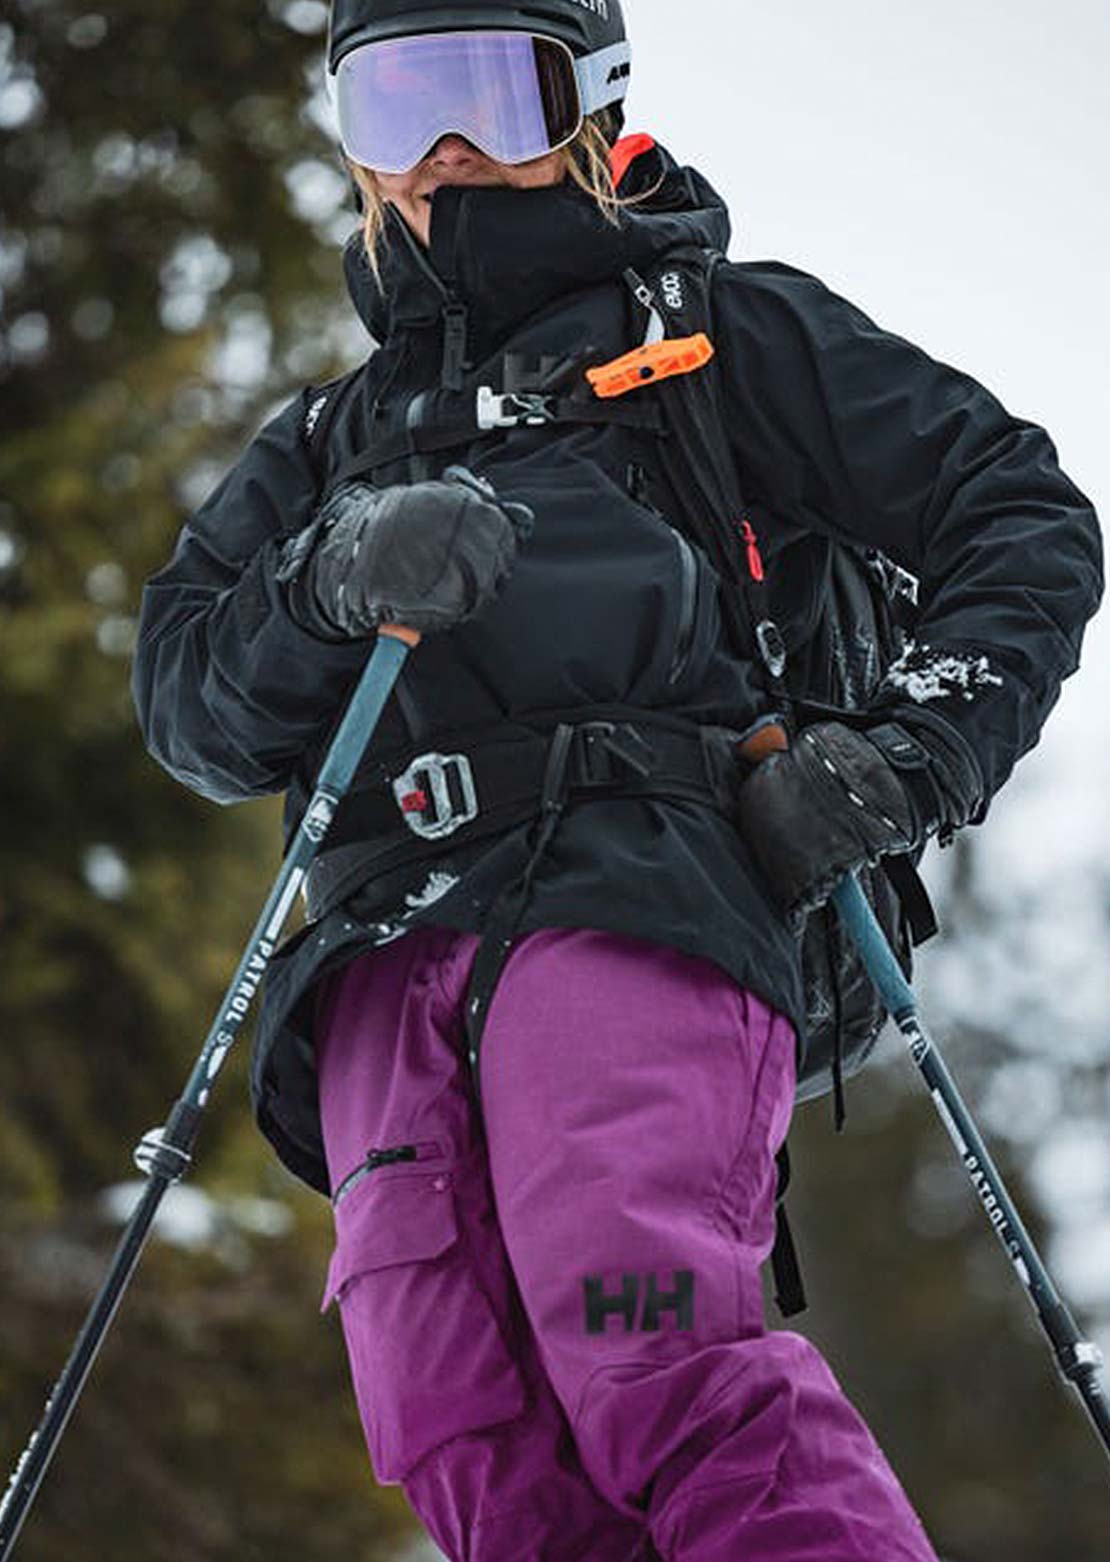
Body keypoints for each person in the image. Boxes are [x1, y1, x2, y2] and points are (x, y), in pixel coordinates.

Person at [133, 2, 1102, 1557]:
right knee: (466, 1441)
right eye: (395, 103)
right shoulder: (327, 442)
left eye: (492, 92)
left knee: (646, 1350)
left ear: (584, 106)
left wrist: (902, 759)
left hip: (635, 888)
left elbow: (1018, 512)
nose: (445, 148)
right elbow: (190, 707)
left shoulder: (713, 339)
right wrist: (325, 579)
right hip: (380, 952)